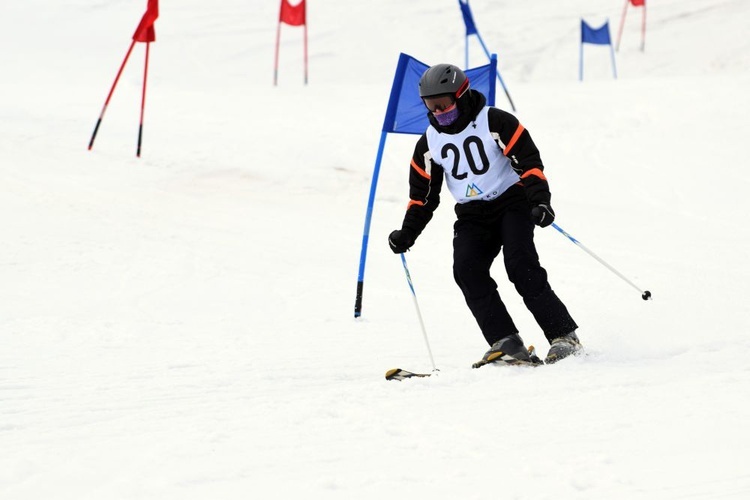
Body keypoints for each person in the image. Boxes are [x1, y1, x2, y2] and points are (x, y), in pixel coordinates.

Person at [388, 63, 582, 365]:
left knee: (520, 266)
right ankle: (505, 340)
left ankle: (563, 336)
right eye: (431, 106)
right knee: (466, 269)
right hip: (472, 214)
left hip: (512, 202)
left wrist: (540, 201)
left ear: (462, 95)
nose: (439, 112)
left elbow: (529, 163)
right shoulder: (429, 142)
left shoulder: (494, 121)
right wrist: (407, 233)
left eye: (444, 104)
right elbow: (423, 197)